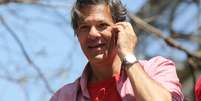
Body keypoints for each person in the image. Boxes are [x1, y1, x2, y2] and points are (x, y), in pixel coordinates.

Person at [50, 0, 183, 101]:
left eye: (102, 25)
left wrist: (128, 57)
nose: (93, 34)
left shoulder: (156, 68)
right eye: (84, 27)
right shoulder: (63, 97)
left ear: (121, 29)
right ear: (77, 35)